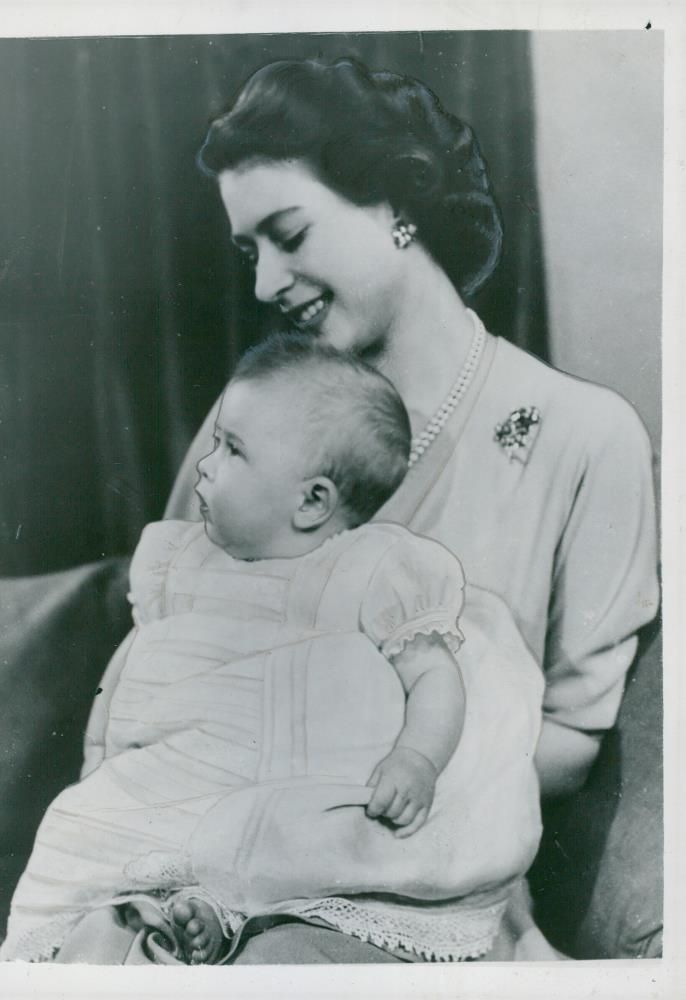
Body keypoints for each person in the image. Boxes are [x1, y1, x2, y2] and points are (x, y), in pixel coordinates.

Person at [159, 57, 660, 963]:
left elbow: (574, 742)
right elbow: (165, 645)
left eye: (289, 233)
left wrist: (348, 783)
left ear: (399, 207)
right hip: (218, 876)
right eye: (250, 252)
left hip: (430, 904)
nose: (267, 282)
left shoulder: (586, 438)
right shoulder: (249, 420)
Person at [0, 335, 544, 965]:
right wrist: (100, 759)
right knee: (117, 852)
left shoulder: (370, 569)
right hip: (187, 777)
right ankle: (174, 911)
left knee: (286, 852)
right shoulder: (185, 563)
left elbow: (433, 675)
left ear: (312, 501)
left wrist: (417, 758)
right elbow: (134, 666)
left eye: (233, 450)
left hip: (292, 793)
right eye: (215, 442)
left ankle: (221, 915)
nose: (204, 465)